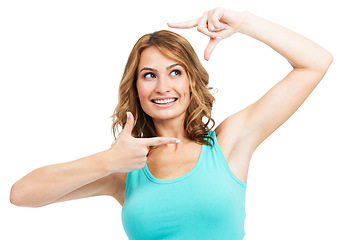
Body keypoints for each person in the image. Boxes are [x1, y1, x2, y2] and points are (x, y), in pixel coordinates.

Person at [10, 7, 332, 240]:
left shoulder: (228, 144)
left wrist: (244, 22)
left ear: (191, 81)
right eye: (149, 75)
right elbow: (21, 194)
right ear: (135, 87)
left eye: (175, 72)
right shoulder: (126, 170)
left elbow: (315, 63)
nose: (163, 86)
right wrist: (108, 160)